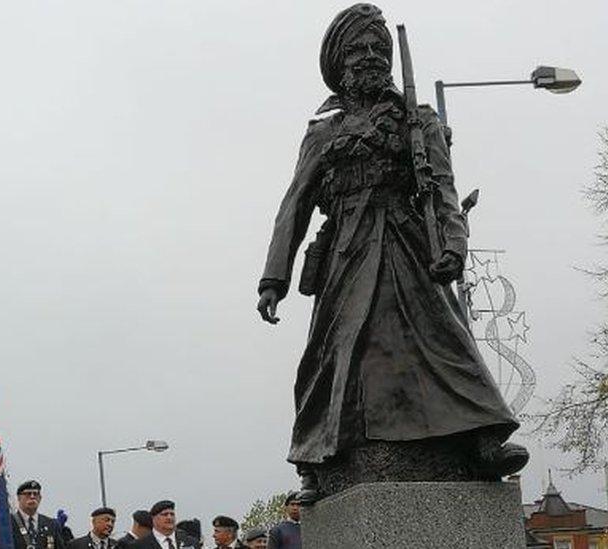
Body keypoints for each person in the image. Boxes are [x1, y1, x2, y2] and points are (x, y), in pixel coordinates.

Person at [255, 2, 527, 503]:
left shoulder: (416, 121)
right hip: (345, 251)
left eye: (379, 48)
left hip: (406, 243)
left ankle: (481, 440)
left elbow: (443, 188)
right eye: (358, 49)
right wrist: (274, 279)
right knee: (329, 359)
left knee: (444, 340)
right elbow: (293, 206)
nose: (370, 56)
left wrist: (452, 245)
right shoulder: (323, 133)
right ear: (340, 65)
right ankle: (320, 463)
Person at [11, 480, 65, 549]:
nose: (32, 497)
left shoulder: (51, 525)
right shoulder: (9, 523)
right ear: (19, 498)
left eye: (35, 494)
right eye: (28, 494)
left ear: (40, 498)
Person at [131, 501, 199, 549]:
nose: (169, 517)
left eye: (172, 514)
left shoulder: (190, 542)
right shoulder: (139, 545)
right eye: (165, 514)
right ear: (153, 519)